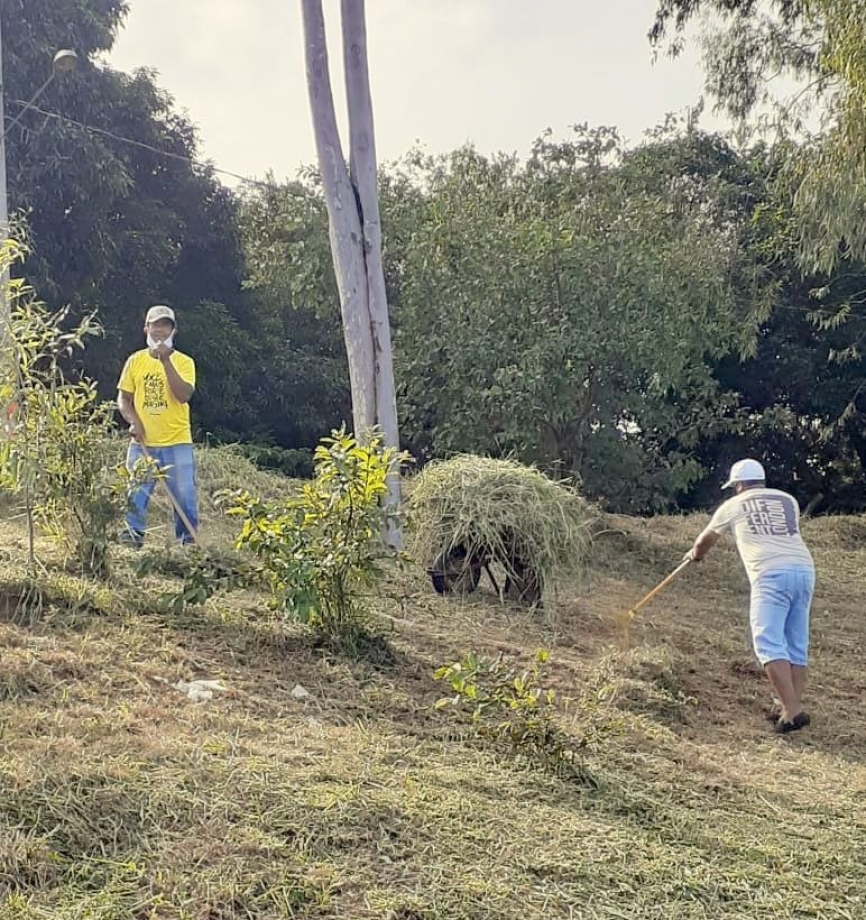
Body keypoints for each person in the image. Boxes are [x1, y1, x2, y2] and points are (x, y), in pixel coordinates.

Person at [686, 458, 815, 734]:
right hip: (804, 569)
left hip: (770, 573)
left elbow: (703, 542)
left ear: (739, 485)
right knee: (796, 640)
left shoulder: (732, 506)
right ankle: (789, 708)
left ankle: (793, 711)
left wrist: (695, 556)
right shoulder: (787, 499)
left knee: (767, 641)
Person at [117, 305, 198, 546]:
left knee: (184, 496)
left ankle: (189, 544)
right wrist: (134, 422)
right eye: (155, 324)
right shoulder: (135, 361)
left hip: (177, 441)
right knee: (136, 493)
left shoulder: (184, 362)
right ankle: (132, 538)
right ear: (146, 328)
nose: (160, 330)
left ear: (174, 330)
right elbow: (123, 398)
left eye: (166, 325)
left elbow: (183, 395)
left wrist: (165, 361)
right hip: (142, 443)